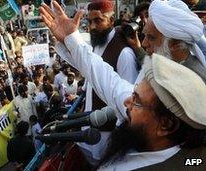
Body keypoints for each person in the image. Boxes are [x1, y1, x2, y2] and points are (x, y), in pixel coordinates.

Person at [39, 0, 206, 168]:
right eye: (145, 34)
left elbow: (117, 91)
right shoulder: (160, 62)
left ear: (176, 44)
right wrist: (72, 39)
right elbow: (115, 88)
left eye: (151, 37)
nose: (144, 43)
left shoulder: (190, 87)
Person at [84, 0, 138, 111]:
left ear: (111, 21)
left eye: (98, 21)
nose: (92, 27)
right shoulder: (96, 44)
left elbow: (129, 101)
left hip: (109, 127)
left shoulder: (124, 53)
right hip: (90, 122)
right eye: (90, 22)